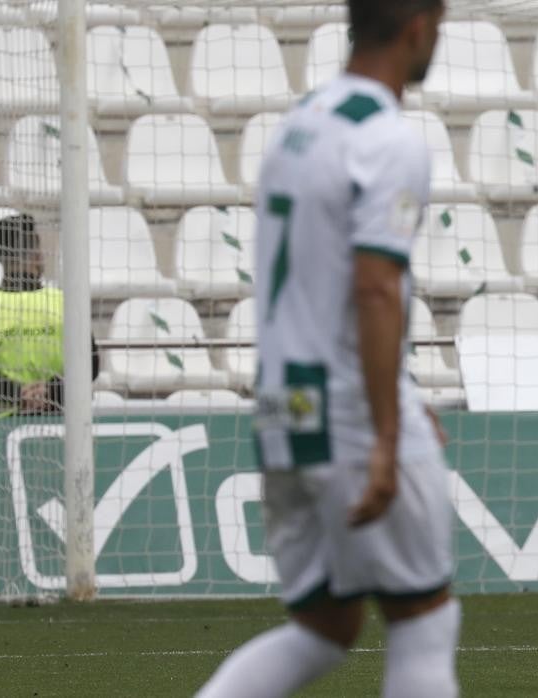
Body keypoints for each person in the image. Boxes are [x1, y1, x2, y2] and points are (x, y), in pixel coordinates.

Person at [196, 1, 457, 697]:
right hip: (348, 407)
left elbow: (326, 281)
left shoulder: (297, 124)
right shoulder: (388, 138)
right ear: (419, 27)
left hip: (285, 404)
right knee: (424, 619)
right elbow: (375, 287)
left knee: (326, 624)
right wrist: (386, 426)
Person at [0, 213, 99, 417]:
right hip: (60, 419)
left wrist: (15, 393)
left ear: (1, 258)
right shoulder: (66, 303)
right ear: (37, 254)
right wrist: (50, 391)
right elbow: (90, 364)